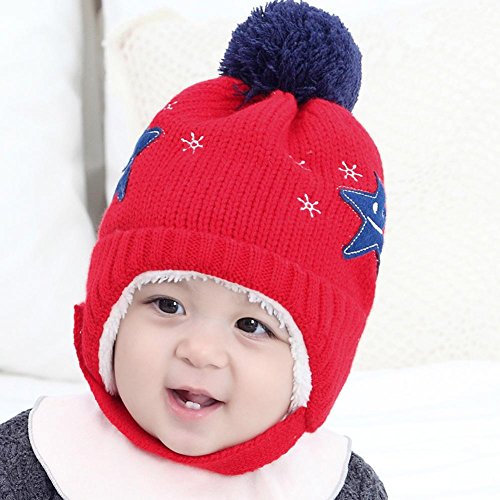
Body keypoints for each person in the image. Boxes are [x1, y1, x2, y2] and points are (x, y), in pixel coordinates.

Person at [0, 0, 389, 498]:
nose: (200, 351)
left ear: (312, 370)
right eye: (167, 304)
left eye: (253, 325)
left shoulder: (329, 485)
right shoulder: (38, 459)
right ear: (109, 320)